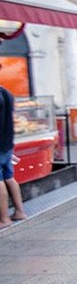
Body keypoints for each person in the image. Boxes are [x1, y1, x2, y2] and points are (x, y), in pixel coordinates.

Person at [0, 73, 27, 230]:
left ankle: (3, 219)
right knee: (9, 177)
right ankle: (19, 211)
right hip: (7, 142)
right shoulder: (7, 93)